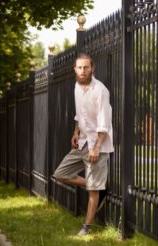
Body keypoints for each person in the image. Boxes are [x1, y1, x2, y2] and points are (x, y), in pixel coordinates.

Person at [53, 53, 114, 236]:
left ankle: (87, 227)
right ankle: (96, 186)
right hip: (82, 142)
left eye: (86, 67)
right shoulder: (77, 87)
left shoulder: (100, 90)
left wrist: (96, 147)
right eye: (79, 68)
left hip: (98, 146)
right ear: (75, 69)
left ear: (92, 68)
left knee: (93, 191)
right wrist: (75, 132)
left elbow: (105, 122)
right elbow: (79, 114)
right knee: (60, 174)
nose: (82, 71)